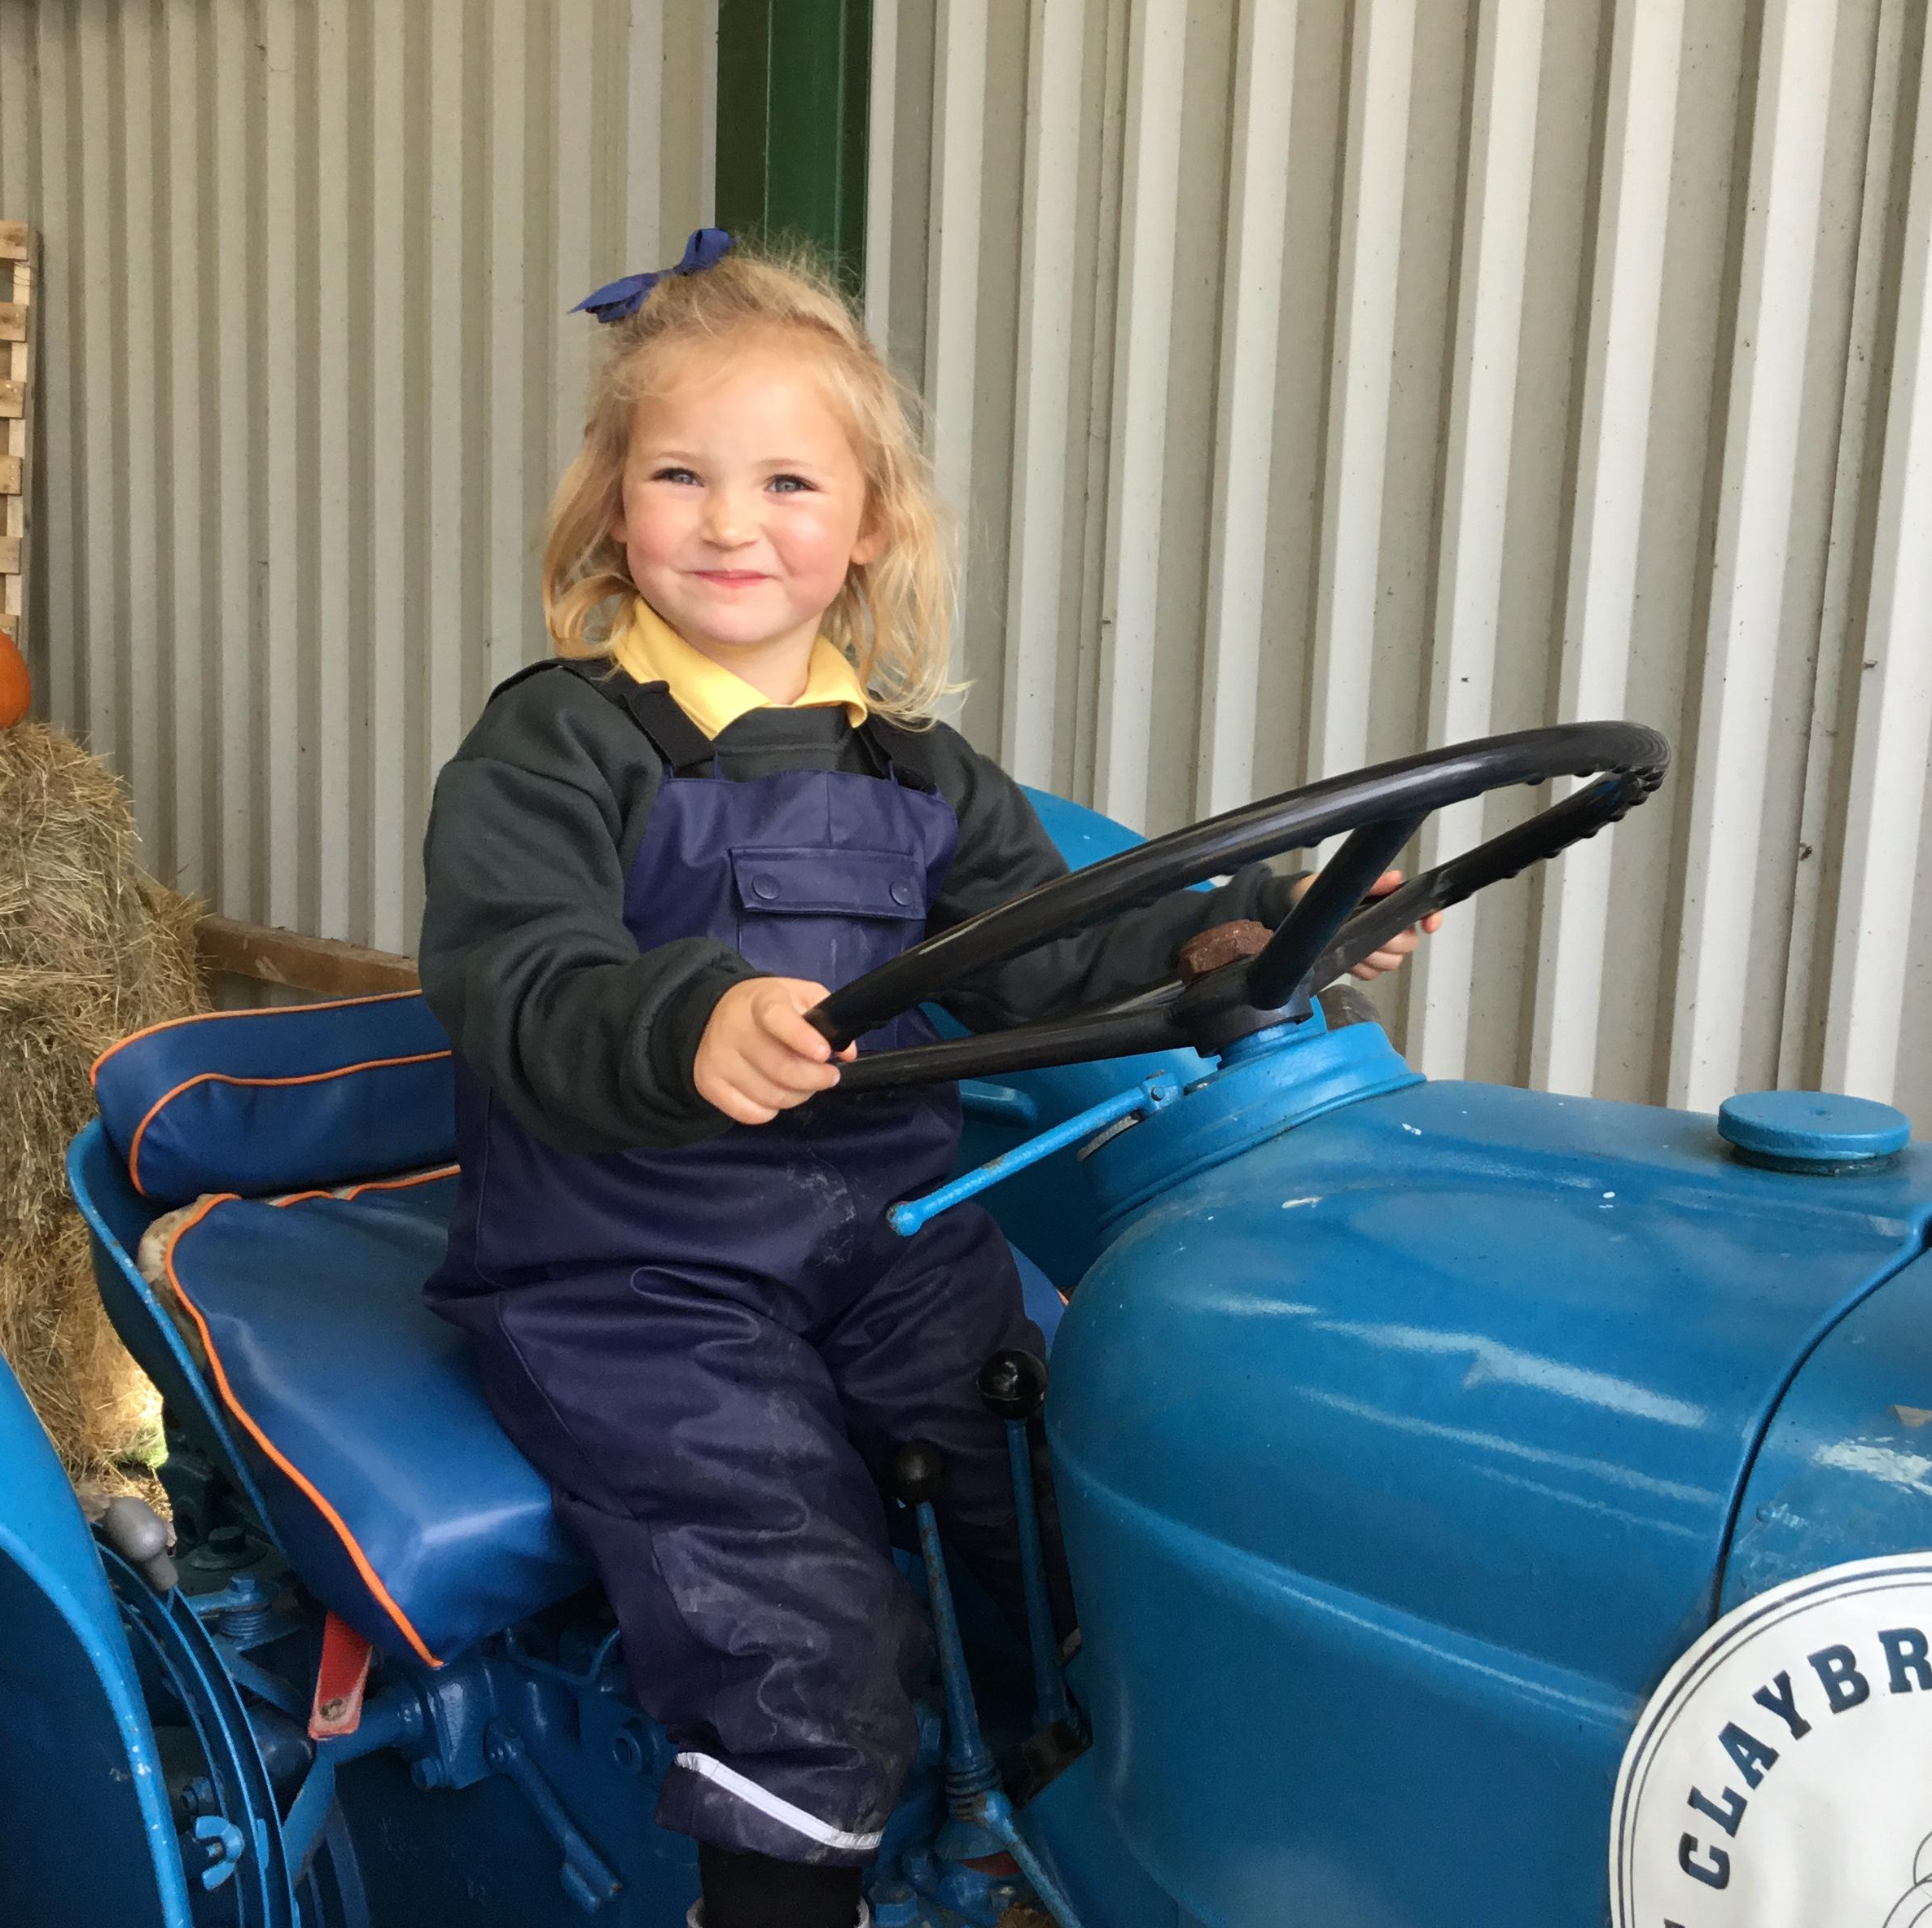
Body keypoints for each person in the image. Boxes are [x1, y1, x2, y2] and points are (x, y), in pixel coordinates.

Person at [417, 230, 1434, 1928]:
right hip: (629, 1261)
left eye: (787, 483)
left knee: (1063, 1515)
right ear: (612, 504)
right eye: (680, 475)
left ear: (870, 523)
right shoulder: (559, 742)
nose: (731, 523)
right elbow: (515, 972)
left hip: (891, 1236)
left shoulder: (921, 773)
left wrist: (1250, 933)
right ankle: (780, 1889)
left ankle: (1037, 1848)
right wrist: (687, 1021)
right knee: (794, 1627)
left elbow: (1061, 952)